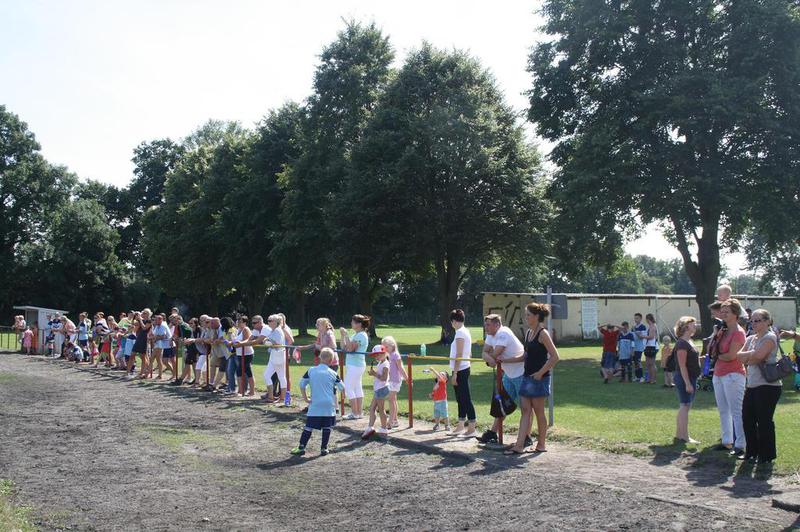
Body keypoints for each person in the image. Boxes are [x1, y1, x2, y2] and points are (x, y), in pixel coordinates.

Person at [506, 302, 560, 455]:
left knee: (539, 412)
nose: (526, 317)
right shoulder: (529, 332)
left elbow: (555, 357)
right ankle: (519, 445)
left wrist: (540, 373)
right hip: (526, 377)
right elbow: (525, 355)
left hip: (539, 379)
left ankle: (541, 444)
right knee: (525, 410)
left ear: (536, 316)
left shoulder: (543, 333)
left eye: (528, 315)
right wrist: (505, 360)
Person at [737, 309, 783, 464]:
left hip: (768, 386)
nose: (754, 323)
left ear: (767, 321)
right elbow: (739, 357)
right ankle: (751, 452)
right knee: (747, 418)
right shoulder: (750, 338)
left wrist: (749, 356)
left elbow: (758, 357)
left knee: (764, 420)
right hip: (752, 385)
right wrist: (751, 355)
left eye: (757, 320)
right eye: (752, 321)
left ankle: (766, 455)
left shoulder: (770, 337)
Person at [478, 313, 527, 445]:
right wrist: (490, 359)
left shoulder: (503, 333)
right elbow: (484, 352)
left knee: (526, 408)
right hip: (508, 375)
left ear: (497, 325)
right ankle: (493, 433)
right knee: (502, 404)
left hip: (521, 374)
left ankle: (526, 437)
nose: (486, 327)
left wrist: (490, 359)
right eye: (485, 325)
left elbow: (495, 354)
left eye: (488, 325)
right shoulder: (490, 335)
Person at [291, 348, 345, 456]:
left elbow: (302, 385)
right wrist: (343, 396)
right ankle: (324, 448)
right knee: (327, 427)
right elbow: (342, 387)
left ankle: (301, 447)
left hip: (315, 404)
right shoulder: (333, 373)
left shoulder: (311, 370)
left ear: (320, 357)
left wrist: (306, 398)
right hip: (329, 405)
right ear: (331, 361)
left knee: (308, 427)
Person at [712, 299, 747, 457]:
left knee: (736, 411)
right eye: (722, 311)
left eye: (727, 311)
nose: (723, 314)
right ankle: (727, 441)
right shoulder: (723, 330)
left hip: (733, 374)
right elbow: (713, 348)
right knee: (723, 410)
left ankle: (740, 444)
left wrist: (716, 355)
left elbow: (732, 356)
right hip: (719, 373)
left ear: (735, 314)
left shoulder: (738, 332)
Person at [672, 316, 701, 444]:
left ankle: (679, 435)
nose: (695, 325)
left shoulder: (689, 341)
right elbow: (682, 365)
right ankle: (685, 436)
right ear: (686, 326)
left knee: (685, 406)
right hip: (685, 378)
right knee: (685, 405)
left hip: (691, 377)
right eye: (693, 324)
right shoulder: (682, 343)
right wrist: (688, 383)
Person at [449, 309, 476, 436]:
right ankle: (460, 426)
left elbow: (459, 354)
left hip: (460, 370)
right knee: (460, 398)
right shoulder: (465, 331)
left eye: (452, 322)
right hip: (463, 368)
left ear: (454, 321)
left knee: (465, 398)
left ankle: (472, 427)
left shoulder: (460, 333)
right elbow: (469, 353)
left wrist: (455, 373)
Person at [340, 314, 371, 419]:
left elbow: (350, 349)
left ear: (359, 324)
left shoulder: (361, 335)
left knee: (348, 387)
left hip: (356, 365)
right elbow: (343, 347)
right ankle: (358, 413)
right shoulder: (356, 335)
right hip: (354, 365)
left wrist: (346, 335)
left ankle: (355, 413)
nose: (351, 323)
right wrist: (343, 336)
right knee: (357, 387)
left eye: (353, 322)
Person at [362, 345, 390, 439]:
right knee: (372, 408)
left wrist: (374, 373)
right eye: (375, 355)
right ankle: (370, 427)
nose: (376, 357)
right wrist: (373, 374)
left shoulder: (385, 364)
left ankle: (384, 428)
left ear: (384, 354)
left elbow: (384, 378)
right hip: (378, 389)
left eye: (378, 354)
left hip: (381, 389)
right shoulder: (381, 362)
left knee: (381, 409)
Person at [262, 315, 288, 403]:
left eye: (270, 320)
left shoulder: (277, 331)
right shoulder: (274, 330)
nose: (268, 322)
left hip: (278, 356)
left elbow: (277, 345)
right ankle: (272, 397)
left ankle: (279, 398)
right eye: (268, 320)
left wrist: (267, 342)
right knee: (268, 375)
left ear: (276, 322)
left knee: (280, 376)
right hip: (275, 356)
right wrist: (267, 341)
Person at [383, 335, 407, 428]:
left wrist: (407, 378)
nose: (385, 349)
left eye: (386, 347)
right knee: (393, 399)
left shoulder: (395, 355)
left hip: (395, 380)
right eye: (383, 347)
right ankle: (395, 420)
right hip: (390, 380)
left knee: (391, 400)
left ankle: (391, 421)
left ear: (392, 345)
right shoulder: (387, 355)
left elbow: (401, 368)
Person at [127, 310, 152, 379]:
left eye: (144, 313)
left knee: (143, 356)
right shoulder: (141, 320)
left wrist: (140, 320)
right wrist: (134, 317)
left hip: (144, 339)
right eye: (143, 313)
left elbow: (144, 328)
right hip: (138, 338)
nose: (143, 314)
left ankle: (142, 372)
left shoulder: (149, 321)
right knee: (132, 354)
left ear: (148, 314)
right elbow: (133, 324)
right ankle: (127, 372)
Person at [428, 366, 450, 431]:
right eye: (440, 373)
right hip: (436, 402)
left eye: (443, 374)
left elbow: (439, 376)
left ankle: (447, 425)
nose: (440, 374)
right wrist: (432, 395)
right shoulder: (436, 384)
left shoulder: (443, 382)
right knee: (436, 415)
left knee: (445, 414)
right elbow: (434, 392)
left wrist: (433, 370)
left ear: (446, 379)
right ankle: (437, 424)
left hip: (443, 402)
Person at [150, 313, 171, 380]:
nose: (155, 321)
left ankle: (158, 375)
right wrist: (153, 337)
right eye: (155, 320)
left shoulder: (163, 326)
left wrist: (155, 338)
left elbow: (163, 336)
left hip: (163, 344)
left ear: (160, 320)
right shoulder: (157, 326)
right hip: (158, 343)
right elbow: (154, 334)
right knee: (156, 359)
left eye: (156, 320)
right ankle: (157, 374)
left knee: (155, 359)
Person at [632, 313, 647, 382]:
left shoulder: (643, 327)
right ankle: (637, 376)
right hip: (634, 347)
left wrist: (635, 331)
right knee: (635, 362)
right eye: (635, 318)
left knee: (638, 361)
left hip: (640, 347)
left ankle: (641, 376)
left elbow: (641, 337)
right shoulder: (633, 327)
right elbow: (632, 337)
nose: (635, 320)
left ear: (640, 319)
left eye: (637, 318)